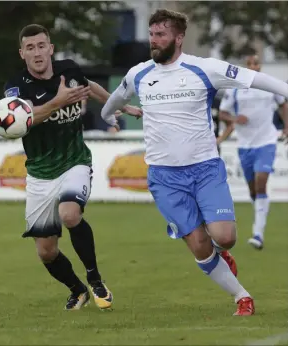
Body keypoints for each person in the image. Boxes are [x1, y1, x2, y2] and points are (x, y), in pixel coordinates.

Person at [101, 9, 288, 316]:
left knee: (225, 237)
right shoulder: (139, 74)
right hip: (164, 177)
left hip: (204, 169)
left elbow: (255, 79)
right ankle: (242, 297)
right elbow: (117, 99)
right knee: (199, 243)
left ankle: (220, 253)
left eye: (161, 35)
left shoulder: (205, 68)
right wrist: (109, 116)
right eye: (151, 34)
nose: (154, 41)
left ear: (178, 37)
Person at [4, 24, 141, 311]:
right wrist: (58, 101)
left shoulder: (70, 70)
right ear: (22, 53)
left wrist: (120, 105)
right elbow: (26, 118)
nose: (37, 52)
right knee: (46, 251)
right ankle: (77, 289)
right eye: (30, 48)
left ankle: (95, 279)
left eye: (42, 45)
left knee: (70, 213)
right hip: (40, 173)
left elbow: (89, 87)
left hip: (74, 161)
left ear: (50, 48)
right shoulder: (16, 88)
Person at [218, 52, 288, 250]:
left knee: (261, 182)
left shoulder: (269, 86)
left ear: (260, 66)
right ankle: (261, 210)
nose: (253, 66)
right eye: (249, 63)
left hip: (266, 141)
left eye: (256, 63)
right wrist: (233, 119)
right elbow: (223, 113)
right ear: (245, 66)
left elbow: (284, 105)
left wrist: (286, 126)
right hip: (245, 145)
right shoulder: (236, 89)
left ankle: (258, 233)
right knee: (253, 190)